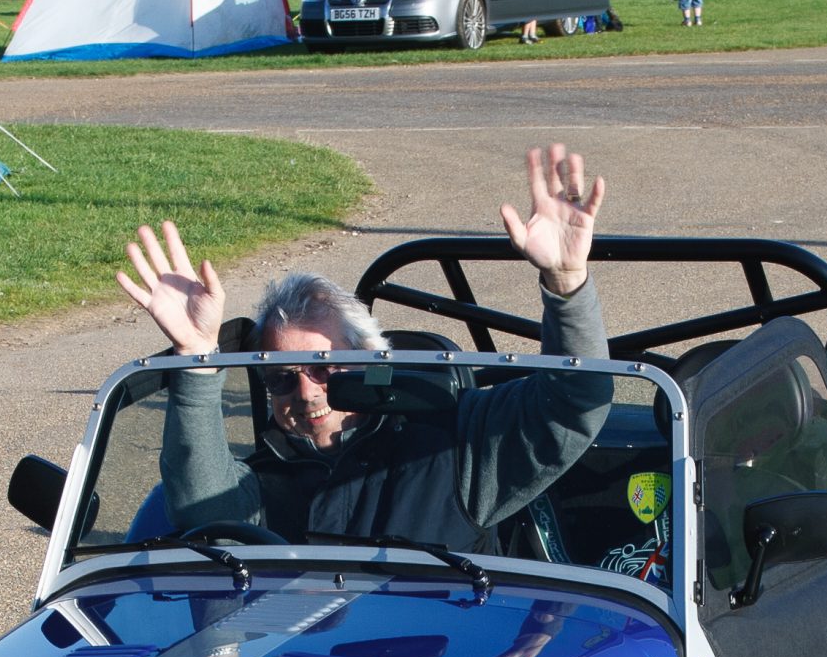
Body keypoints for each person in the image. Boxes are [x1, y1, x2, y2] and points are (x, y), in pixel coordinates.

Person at [115, 143, 615, 557]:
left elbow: (573, 407)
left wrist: (566, 283)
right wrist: (197, 355)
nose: (306, 393)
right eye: (282, 378)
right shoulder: (264, 479)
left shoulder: (453, 444)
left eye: (325, 369)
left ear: (371, 358)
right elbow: (201, 508)